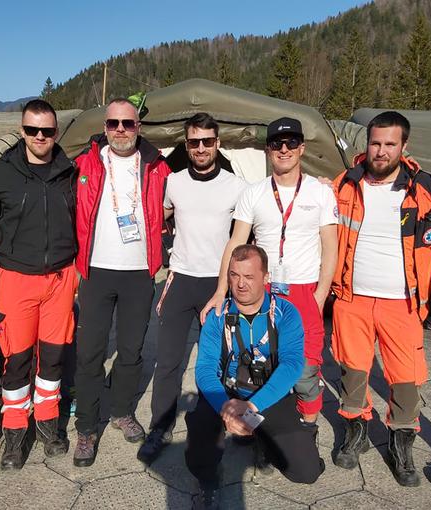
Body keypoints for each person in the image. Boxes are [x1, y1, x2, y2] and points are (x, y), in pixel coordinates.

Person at [201, 117, 338, 425]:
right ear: (268, 150)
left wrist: (320, 295)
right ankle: (251, 426)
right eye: (277, 144)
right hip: (264, 291)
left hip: (304, 290)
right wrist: (221, 291)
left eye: (291, 143)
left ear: (302, 148)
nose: (284, 149)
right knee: (256, 364)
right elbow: (236, 243)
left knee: (304, 372)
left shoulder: (320, 192)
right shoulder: (254, 193)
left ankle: (306, 430)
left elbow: (331, 247)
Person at [330, 111, 431, 486]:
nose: (380, 151)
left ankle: (401, 442)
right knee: (353, 370)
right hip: (352, 297)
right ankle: (356, 430)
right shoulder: (344, 184)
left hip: (402, 301)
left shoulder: (426, 190)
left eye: (389, 144)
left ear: (403, 146)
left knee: (406, 378)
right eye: (375, 143)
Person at [137, 113, 247, 464]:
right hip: (181, 280)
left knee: (219, 363)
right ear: (187, 145)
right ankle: (160, 427)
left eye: (207, 141)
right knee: (168, 362)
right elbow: (161, 215)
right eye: (194, 142)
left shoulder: (236, 186)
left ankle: (220, 422)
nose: (201, 148)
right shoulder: (174, 182)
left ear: (218, 143)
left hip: (219, 285)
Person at [72, 97, 171, 466]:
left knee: (131, 351)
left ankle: (121, 412)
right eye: (113, 123)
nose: (120, 131)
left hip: (138, 272)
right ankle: (85, 428)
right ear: (104, 127)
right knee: (90, 352)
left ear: (138, 127)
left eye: (127, 124)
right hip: (95, 271)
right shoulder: (84, 164)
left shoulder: (158, 167)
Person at [187, 244, 324, 509]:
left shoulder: (286, 312)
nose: (240, 284)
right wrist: (225, 408)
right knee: (199, 439)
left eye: (249, 277)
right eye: (234, 275)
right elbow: (204, 368)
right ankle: (208, 478)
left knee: (306, 472)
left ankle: (262, 438)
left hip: (267, 396)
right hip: (225, 395)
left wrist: (252, 406)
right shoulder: (218, 315)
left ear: (266, 278)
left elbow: (292, 365)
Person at [0, 99, 78, 470]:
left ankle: (47, 424)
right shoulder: (1, 174)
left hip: (60, 277)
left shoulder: (69, 171)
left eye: (48, 131)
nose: (40, 137)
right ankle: (14, 433)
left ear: (56, 132)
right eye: (32, 130)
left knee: (53, 357)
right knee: (17, 359)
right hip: (16, 279)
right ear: (22, 131)